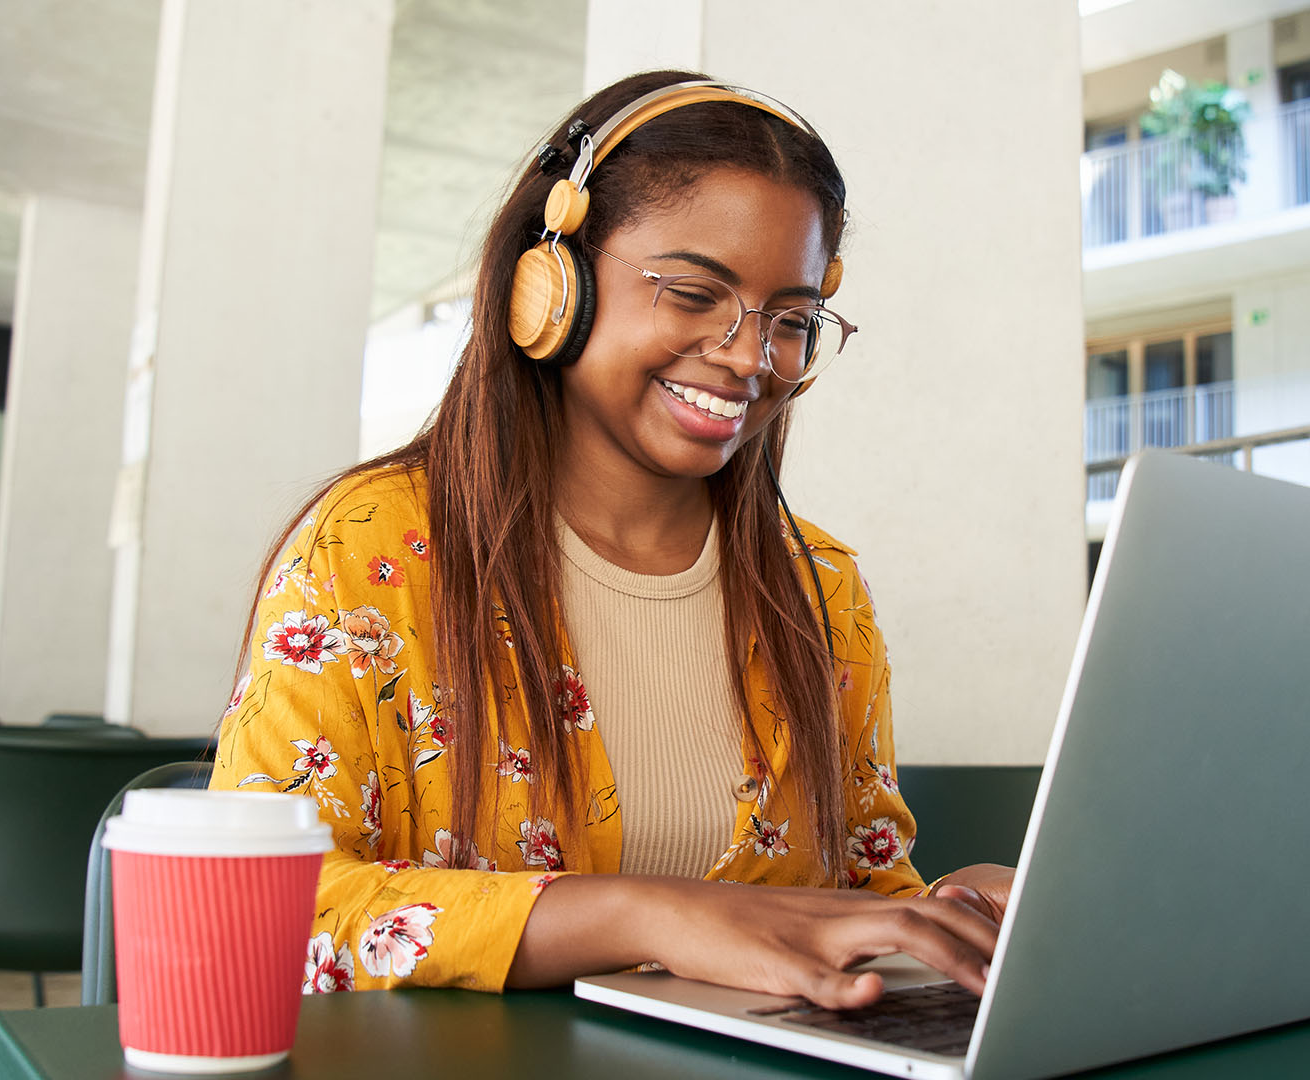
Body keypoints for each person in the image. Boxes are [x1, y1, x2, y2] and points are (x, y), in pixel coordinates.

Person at [212, 70, 1013, 1011]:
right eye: (693, 292)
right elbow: (257, 905)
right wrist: (647, 916)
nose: (749, 355)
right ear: (552, 283)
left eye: (791, 320)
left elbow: (847, 897)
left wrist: (951, 911)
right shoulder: (370, 547)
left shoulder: (819, 589)